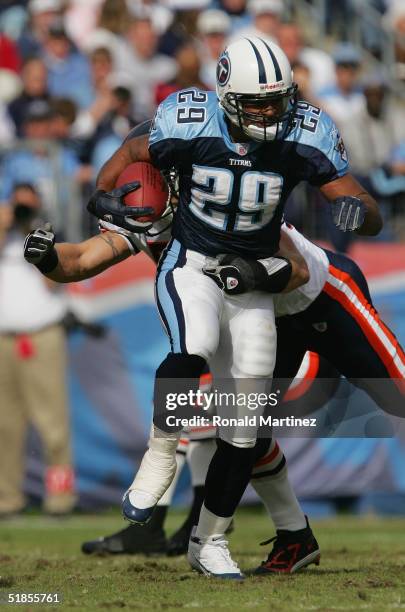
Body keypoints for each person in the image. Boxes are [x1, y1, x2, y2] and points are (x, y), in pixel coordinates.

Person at [26, 37, 382, 579]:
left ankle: (208, 536)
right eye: (255, 102)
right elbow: (83, 256)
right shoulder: (164, 188)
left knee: (241, 426)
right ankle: (178, 489)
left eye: (275, 101)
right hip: (204, 279)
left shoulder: (278, 164)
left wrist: (350, 216)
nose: (267, 113)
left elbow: (302, 268)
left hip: (292, 293)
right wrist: (59, 244)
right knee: (196, 365)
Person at [0, 183, 76, 516]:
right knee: (4, 426)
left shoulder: (47, 234)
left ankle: (60, 499)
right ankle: (7, 499)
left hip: (42, 338)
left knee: (53, 425)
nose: (20, 212)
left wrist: (35, 232)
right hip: (3, 341)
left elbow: (53, 280)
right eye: (17, 206)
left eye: (26, 206)